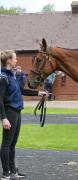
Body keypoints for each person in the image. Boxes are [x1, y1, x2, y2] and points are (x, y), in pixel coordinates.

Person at [0, 50, 47, 180]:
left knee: (13, 143)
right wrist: (3, 118)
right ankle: (5, 173)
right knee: (6, 143)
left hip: (16, 112)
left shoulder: (11, 76)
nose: (17, 61)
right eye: (15, 58)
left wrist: (38, 93)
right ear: (9, 60)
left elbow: (20, 90)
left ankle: (12, 170)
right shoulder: (3, 77)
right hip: (9, 112)